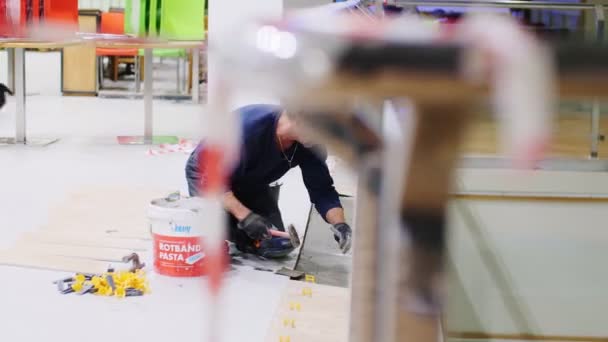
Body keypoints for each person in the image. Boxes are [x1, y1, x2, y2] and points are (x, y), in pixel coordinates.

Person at [185, 104, 352, 258]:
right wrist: (245, 216)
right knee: (223, 230)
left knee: (274, 244)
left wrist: (340, 225)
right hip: (206, 175)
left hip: (251, 180)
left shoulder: (311, 144)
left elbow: (322, 190)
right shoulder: (246, 130)